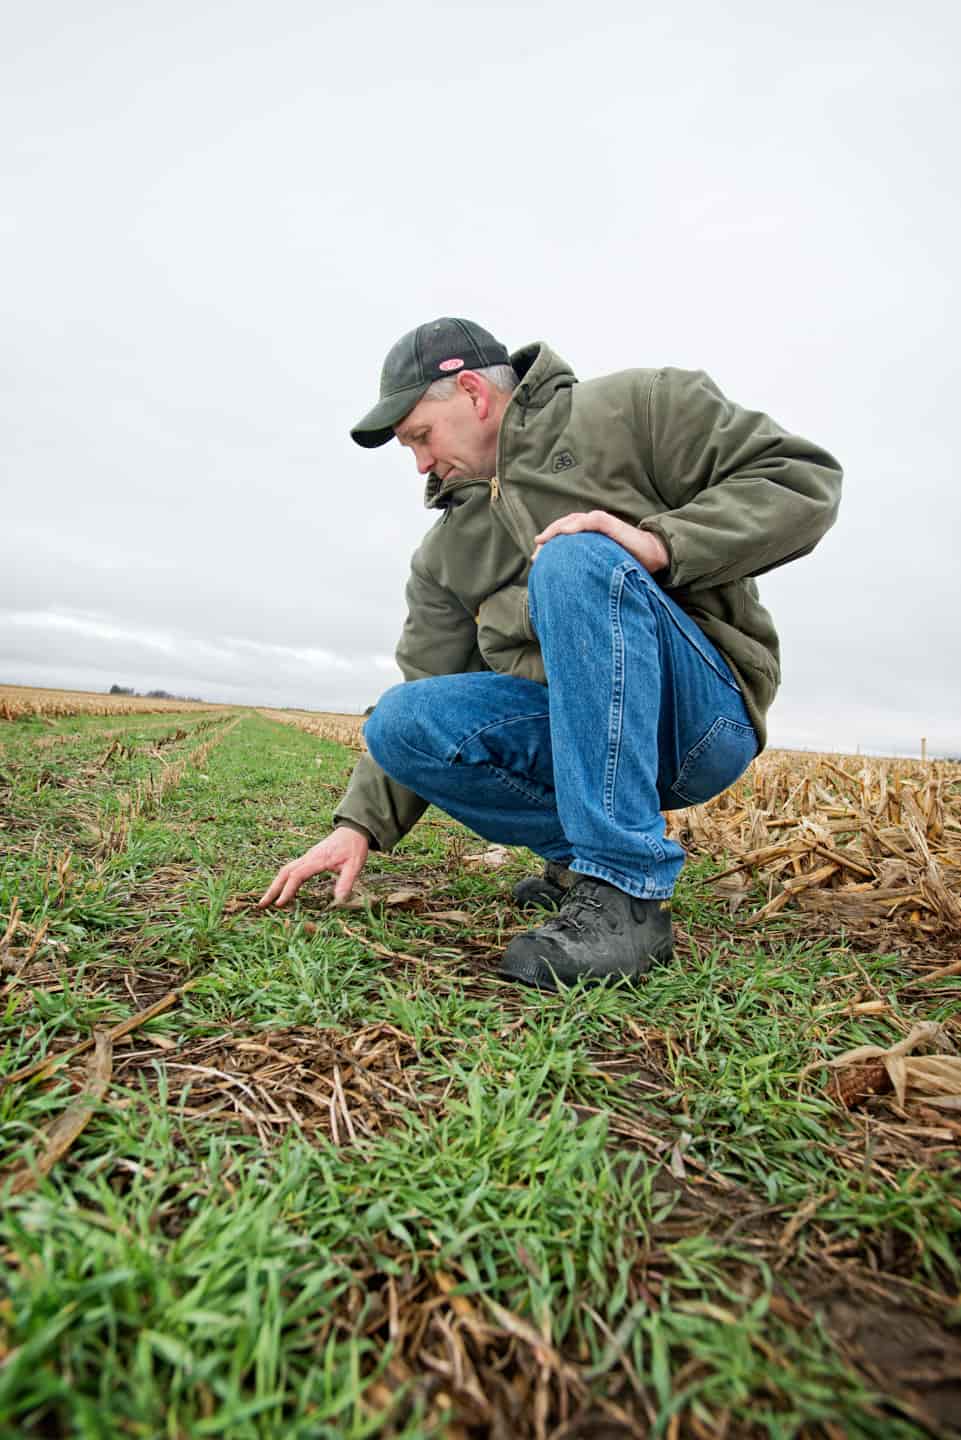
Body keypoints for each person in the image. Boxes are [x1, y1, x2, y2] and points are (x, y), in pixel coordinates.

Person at [259, 318, 842, 990]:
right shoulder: (444, 555)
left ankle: (624, 890)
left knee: (572, 556)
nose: (419, 463)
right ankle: (579, 862)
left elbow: (800, 479)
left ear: (474, 394)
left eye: (419, 436)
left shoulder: (637, 408)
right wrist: (358, 826)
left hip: (698, 721)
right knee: (400, 721)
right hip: (569, 738)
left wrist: (659, 543)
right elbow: (432, 678)